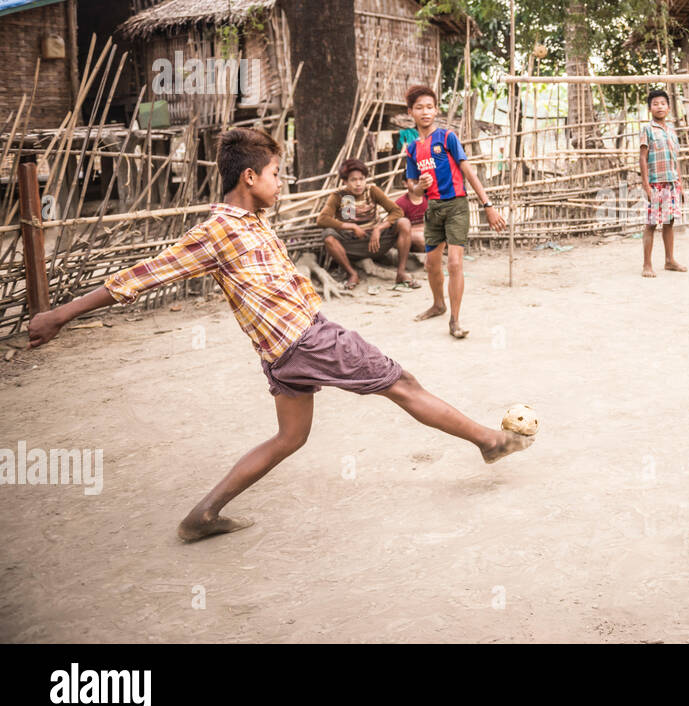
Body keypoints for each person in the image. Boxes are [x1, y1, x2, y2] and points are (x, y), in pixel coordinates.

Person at [26, 128, 535, 542]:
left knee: (291, 436)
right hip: (308, 340)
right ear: (249, 176)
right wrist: (60, 314)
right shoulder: (217, 232)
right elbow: (140, 277)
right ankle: (489, 441)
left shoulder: (250, 220)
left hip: (280, 354)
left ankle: (203, 515)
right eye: (274, 174)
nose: (280, 182)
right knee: (403, 384)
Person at [403, 84, 506, 338]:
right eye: (419, 108)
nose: (425, 112)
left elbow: (468, 172)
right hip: (433, 209)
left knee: (455, 263)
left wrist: (488, 206)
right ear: (411, 113)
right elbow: (412, 190)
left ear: (436, 109)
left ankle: (455, 321)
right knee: (431, 264)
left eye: (429, 107)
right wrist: (420, 186)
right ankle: (438, 304)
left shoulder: (447, 138)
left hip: (457, 206)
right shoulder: (412, 149)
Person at [317, 158, 416, 291]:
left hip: (377, 243)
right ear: (345, 182)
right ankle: (352, 274)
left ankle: (401, 273)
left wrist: (379, 228)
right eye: (353, 180)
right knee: (328, 236)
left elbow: (396, 211)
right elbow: (322, 219)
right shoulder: (339, 196)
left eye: (361, 179)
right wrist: (351, 226)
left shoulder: (372, 191)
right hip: (351, 245)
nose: (358, 184)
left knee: (404, 223)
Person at [639, 87, 687, 277]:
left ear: (668, 108)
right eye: (655, 104)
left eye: (663, 103)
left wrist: (680, 184)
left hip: (672, 183)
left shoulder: (672, 132)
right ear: (650, 108)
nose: (659, 106)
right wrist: (646, 185)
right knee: (651, 224)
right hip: (655, 183)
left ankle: (669, 260)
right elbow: (642, 158)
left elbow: (676, 159)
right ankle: (647, 265)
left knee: (669, 222)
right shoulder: (647, 130)